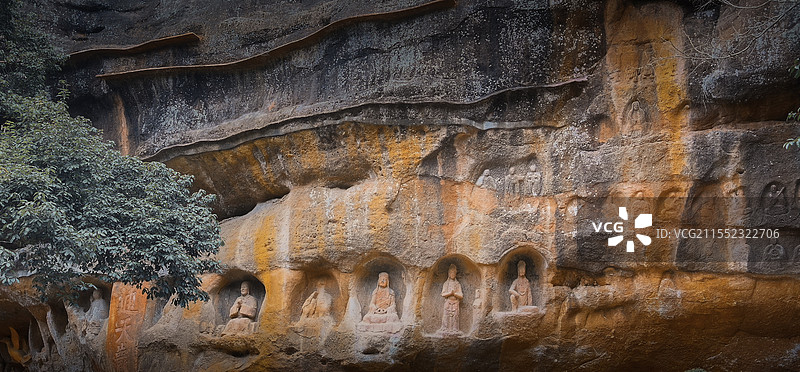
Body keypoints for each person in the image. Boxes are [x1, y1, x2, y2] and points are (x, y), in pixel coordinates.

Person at [439, 264, 463, 334]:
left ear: (456, 274)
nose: (452, 274)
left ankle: (455, 329)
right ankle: (445, 328)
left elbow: (461, 295)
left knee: (455, 316)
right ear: (449, 274)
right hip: (448, 302)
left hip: (455, 302)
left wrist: (455, 294)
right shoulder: (446, 283)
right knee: (446, 315)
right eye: (451, 273)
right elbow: (443, 294)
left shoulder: (457, 284)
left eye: (454, 273)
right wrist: (450, 293)